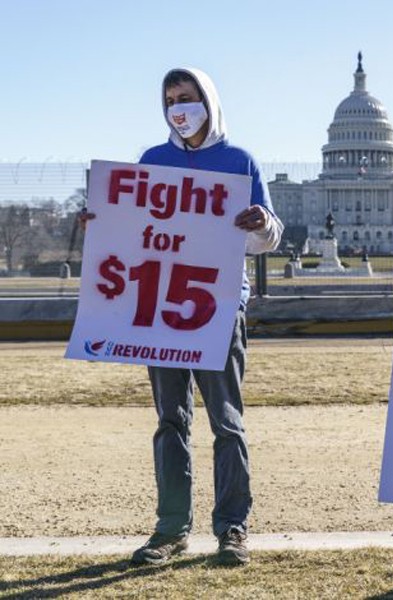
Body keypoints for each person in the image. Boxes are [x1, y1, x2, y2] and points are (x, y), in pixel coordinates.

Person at [84, 68, 283, 566]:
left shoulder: (239, 160)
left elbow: (268, 237)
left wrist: (260, 223)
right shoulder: (153, 160)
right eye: (171, 99)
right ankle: (171, 529)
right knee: (170, 421)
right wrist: (99, 221)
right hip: (159, 311)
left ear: (208, 102)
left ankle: (232, 528)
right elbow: (132, 228)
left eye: (188, 97)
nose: (179, 107)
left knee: (227, 422)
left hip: (219, 308)